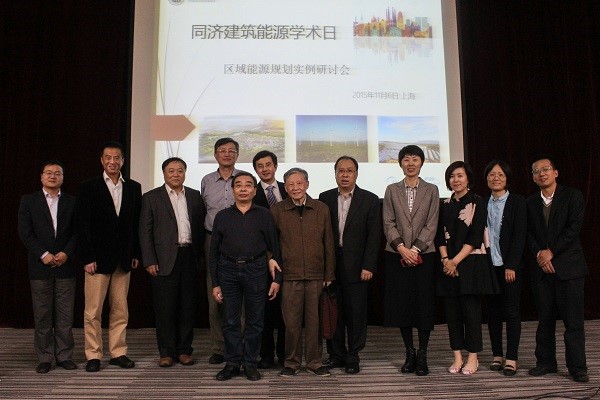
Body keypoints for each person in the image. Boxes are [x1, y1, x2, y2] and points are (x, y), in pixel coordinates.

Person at [75, 141, 142, 373]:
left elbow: (135, 224)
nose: (112, 162)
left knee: (120, 309)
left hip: (123, 259)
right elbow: (82, 225)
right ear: (102, 160)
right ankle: (93, 355)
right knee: (93, 311)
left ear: (123, 161)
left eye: (117, 158)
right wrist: (87, 257)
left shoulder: (133, 187)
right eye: (108, 158)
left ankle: (118, 352)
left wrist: (135, 253)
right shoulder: (88, 187)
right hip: (96, 260)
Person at [210, 172, 283, 381]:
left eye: (248, 185)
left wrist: (277, 279)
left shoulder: (264, 215)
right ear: (233, 190)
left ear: (254, 190)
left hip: (256, 270)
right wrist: (215, 283)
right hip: (228, 270)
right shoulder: (222, 216)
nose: (243, 189)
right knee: (230, 320)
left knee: (255, 320)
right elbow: (213, 253)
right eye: (239, 185)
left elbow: (275, 249)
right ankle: (232, 363)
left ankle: (250, 363)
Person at [526, 158, 589, 383]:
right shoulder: (530, 202)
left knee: (573, 322)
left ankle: (577, 367)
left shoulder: (573, 196)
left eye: (546, 169)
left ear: (556, 172)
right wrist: (540, 255)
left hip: (569, 268)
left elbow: (574, 228)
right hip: (542, 269)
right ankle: (546, 362)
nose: (541, 174)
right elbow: (528, 234)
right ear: (533, 178)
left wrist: (551, 252)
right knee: (545, 320)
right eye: (537, 171)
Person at [139, 157, 206, 367]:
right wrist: (149, 260)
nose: (176, 174)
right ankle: (166, 352)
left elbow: (200, 228)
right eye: (171, 171)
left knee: (188, 307)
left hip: (189, 257)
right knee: (165, 309)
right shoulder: (151, 197)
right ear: (164, 173)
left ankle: (184, 351)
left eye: (180, 170)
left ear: (185, 173)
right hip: (163, 259)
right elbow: (145, 231)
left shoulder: (194, 196)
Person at [318, 156, 381, 374]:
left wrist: (369, 265)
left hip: (358, 266)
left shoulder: (370, 199)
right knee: (333, 312)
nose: (345, 175)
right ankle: (336, 354)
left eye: (349, 171)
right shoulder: (324, 198)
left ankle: (353, 355)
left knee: (356, 313)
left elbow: (374, 236)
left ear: (356, 174)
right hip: (331, 266)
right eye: (341, 171)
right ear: (335, 173)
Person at [436, 161, 498, 375]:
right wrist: (446, 260)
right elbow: (439, 236)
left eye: (460, 175)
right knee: (452, 313)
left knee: (471, 313)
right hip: (448, 265)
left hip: (471, 263)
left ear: (468, 178)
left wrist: (455, 261)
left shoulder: (478, 201)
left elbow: (475, 236)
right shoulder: (444, 204)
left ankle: (473, 357)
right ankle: (457, 356)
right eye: (452, 176)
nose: (456, 180)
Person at [271, 168, 335, 377]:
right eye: (290, 184)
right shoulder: (277, 210)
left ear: (307, 184)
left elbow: (328, 243)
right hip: (289, 275)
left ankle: (315, 362)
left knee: (315, 323)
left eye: (299, 183)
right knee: (291, 324)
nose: (295, 188)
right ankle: (291, 363)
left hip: (317, 275)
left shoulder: (321, 209)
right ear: (285, 188)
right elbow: (271, 243)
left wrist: (329, 274)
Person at [382, 146, 439, 376]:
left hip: (424, 255)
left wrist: (414, 250)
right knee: (402, 305)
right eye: (406, 159)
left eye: (415, 159)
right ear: (400, 164)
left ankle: (423, 354)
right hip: (397, 255)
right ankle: (409, 352)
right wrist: (402, 249)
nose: (411, 163)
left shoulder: (432, 190)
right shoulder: (391, 189)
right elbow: (388, 222)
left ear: (422, 163)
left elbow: (432, 224)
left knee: (424, 305)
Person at [18, 160, 78, 373]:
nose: (53, 176)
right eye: (49, 173)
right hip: (39, 265)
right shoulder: (29, 201)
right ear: (41, 177)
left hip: (65, 264)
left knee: (65, 315)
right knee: (42, 315)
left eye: (57, 173)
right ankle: (44, 357)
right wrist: (43, 254)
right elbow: (25, 232)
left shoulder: (72, 202)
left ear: (63, 178)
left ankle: (64, 355)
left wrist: (66, 253)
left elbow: (77, 232)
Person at [201, 137, 246, 365]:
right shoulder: (207, 180)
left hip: (242, 241)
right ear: (215, 154)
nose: (227, 154)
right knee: (215, 293)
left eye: (231, 151)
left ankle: (241, 345)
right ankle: (218, 347)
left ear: (237, 155)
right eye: (222, 150)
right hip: (213, 240)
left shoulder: (245, 178)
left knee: (242, 295)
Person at [483, 160, 526, 376]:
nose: (496, 178)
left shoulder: (517, 202)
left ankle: (511, 357)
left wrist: (512, 265)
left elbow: (520, 235)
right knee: (493, 313)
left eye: (500, 174)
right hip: (489, 265)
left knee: (512, 312)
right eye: (492, 174)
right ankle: (497, 355)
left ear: (507, 178)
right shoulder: (482, 202)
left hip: (510, 267)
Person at [252, 150, 287, 369]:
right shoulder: (250, 192)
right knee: (263, 310)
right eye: (260, 166)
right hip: (261, 258)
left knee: (286, 311)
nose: (265, 169)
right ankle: (265, 354)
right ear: (256, 170)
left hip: (289, 256)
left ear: (275, 166)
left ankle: (284, 354)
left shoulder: (289, 188)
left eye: (268, 164)